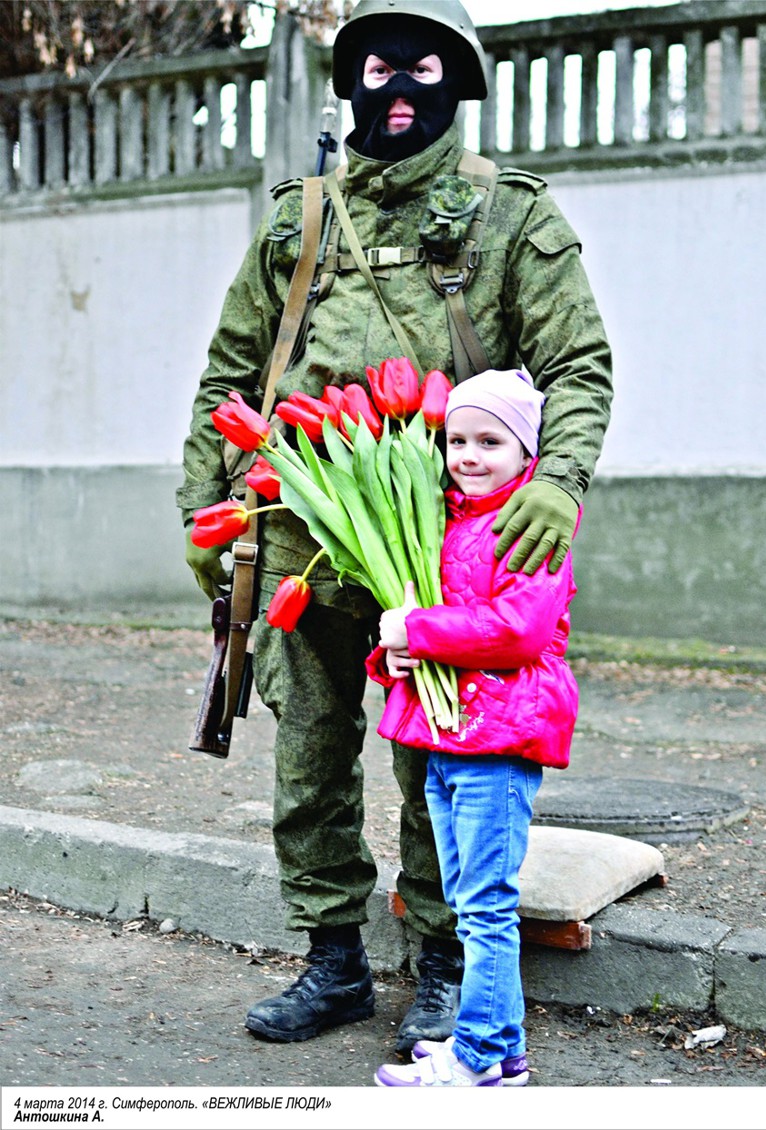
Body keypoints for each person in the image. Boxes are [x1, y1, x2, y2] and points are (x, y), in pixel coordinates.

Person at [177, 0, 612, 1053]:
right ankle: (329, 957)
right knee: (310, 754)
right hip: (296, 532)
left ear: (458, 79)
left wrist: (555, 481)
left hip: (443, 544)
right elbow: (228, 376)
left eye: (423, 64)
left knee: (439, 755)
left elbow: (576, 365)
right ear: (350, 80)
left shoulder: (508, 216)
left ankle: (442, 963)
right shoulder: (299, 218)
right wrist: (203, 517)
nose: (399, 84)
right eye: (378, 65)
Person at [368, 368, 578, 1087]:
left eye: (491, 440)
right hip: (446, 737)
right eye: (457, 438)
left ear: (527, 453)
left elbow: (518, 631)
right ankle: (505, 1048)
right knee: (465, 899)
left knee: (487, 906)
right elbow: (430, 627)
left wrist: (418, 629)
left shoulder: (532, 526)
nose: (469, 453)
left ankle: (480, 1058)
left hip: (499, 736)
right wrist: (395, 649)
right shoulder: (448, 519)